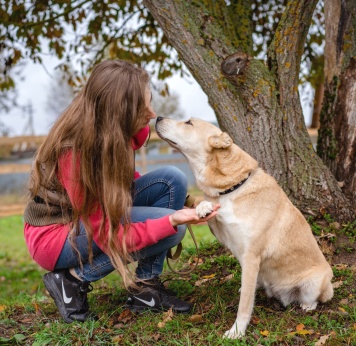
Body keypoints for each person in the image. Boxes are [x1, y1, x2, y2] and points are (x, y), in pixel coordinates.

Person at [23, 59, 219, 324]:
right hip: (55, 235)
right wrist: (170, 220)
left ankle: (146, 288)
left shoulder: (111, 130)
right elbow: (108, 235)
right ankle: (72, 279)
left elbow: (121, 183)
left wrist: (191, 202)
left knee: (172, 179)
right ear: (120, 110)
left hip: (89, 218)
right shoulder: (76, 152)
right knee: (172, 231)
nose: (152, 113)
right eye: (144, 106)